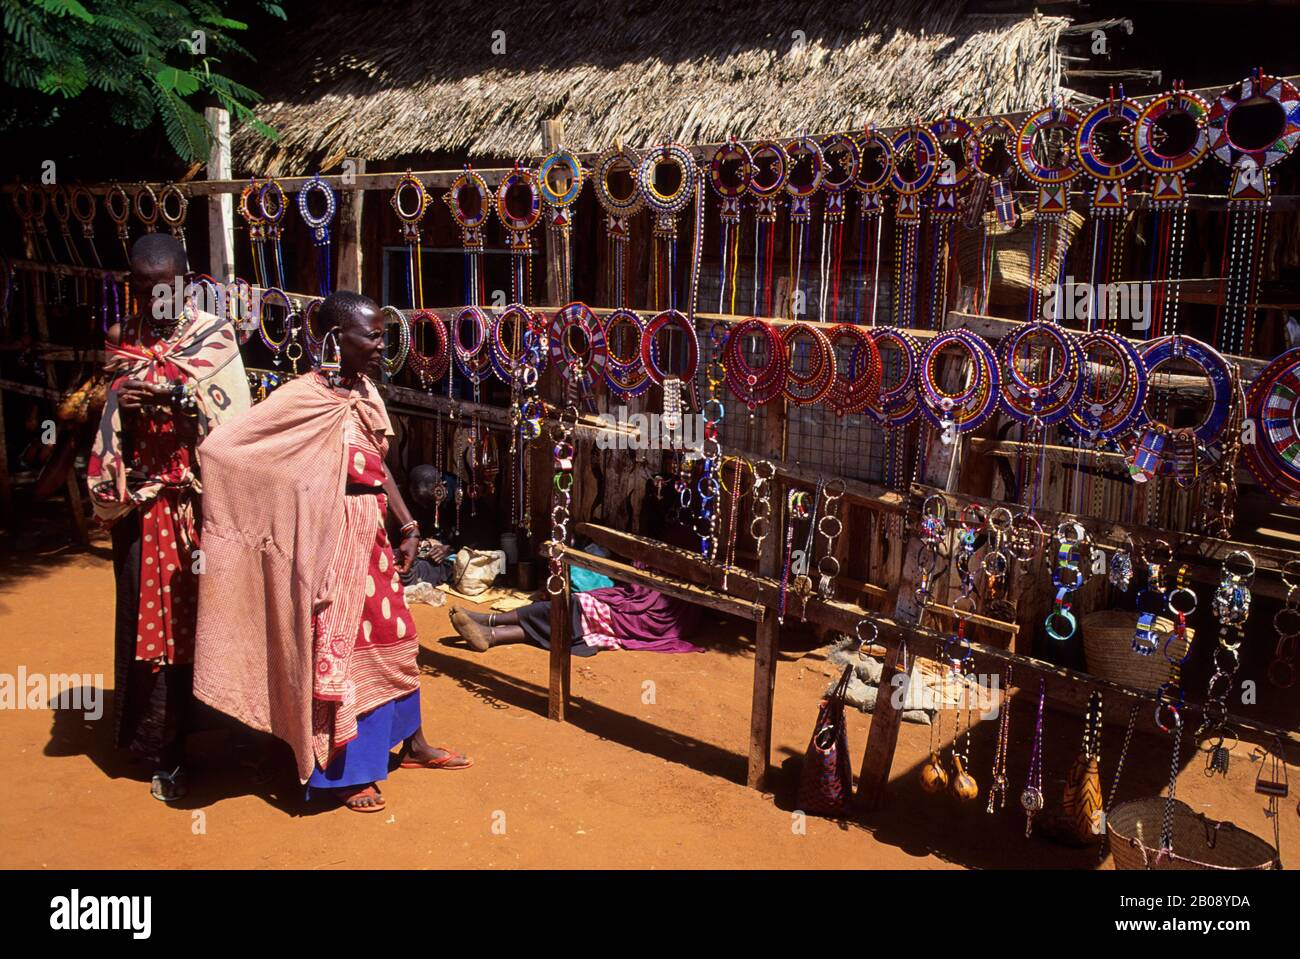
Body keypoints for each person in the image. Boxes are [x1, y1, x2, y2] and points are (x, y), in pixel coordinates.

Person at [192, 291, 470, 813]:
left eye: (382, 334)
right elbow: (228, 449)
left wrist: (407, 523)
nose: (381, 345)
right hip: (332, 537)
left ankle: (411, 743)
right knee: (339, 647)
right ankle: (345, 772)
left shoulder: (364, 392)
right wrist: (290, 502)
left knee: (396, 635)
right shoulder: (302, 397)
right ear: (336, 339)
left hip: (372, 536)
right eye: (371, 335)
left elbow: (379, 464)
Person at [87, 233, 251, 801]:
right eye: (140, 287)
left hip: (201, 507)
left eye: (164, 288)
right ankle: (157, 744)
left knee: (202, 623)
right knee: (142, 621)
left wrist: (186, 414)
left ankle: (205, 733)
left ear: (185, 284)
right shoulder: (119, 340)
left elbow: (237, 434)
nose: (152, 299)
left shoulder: (214, 339)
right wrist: (126, 409)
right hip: (141, 508)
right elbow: (106, 433)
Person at [449, 475, 702, 656]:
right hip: (643, 615)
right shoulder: (687, 545)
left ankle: (490, 623)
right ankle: (490, 632)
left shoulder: (677, 542)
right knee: (562, 620)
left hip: (641, 618)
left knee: (567, 609)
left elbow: (646, 593)